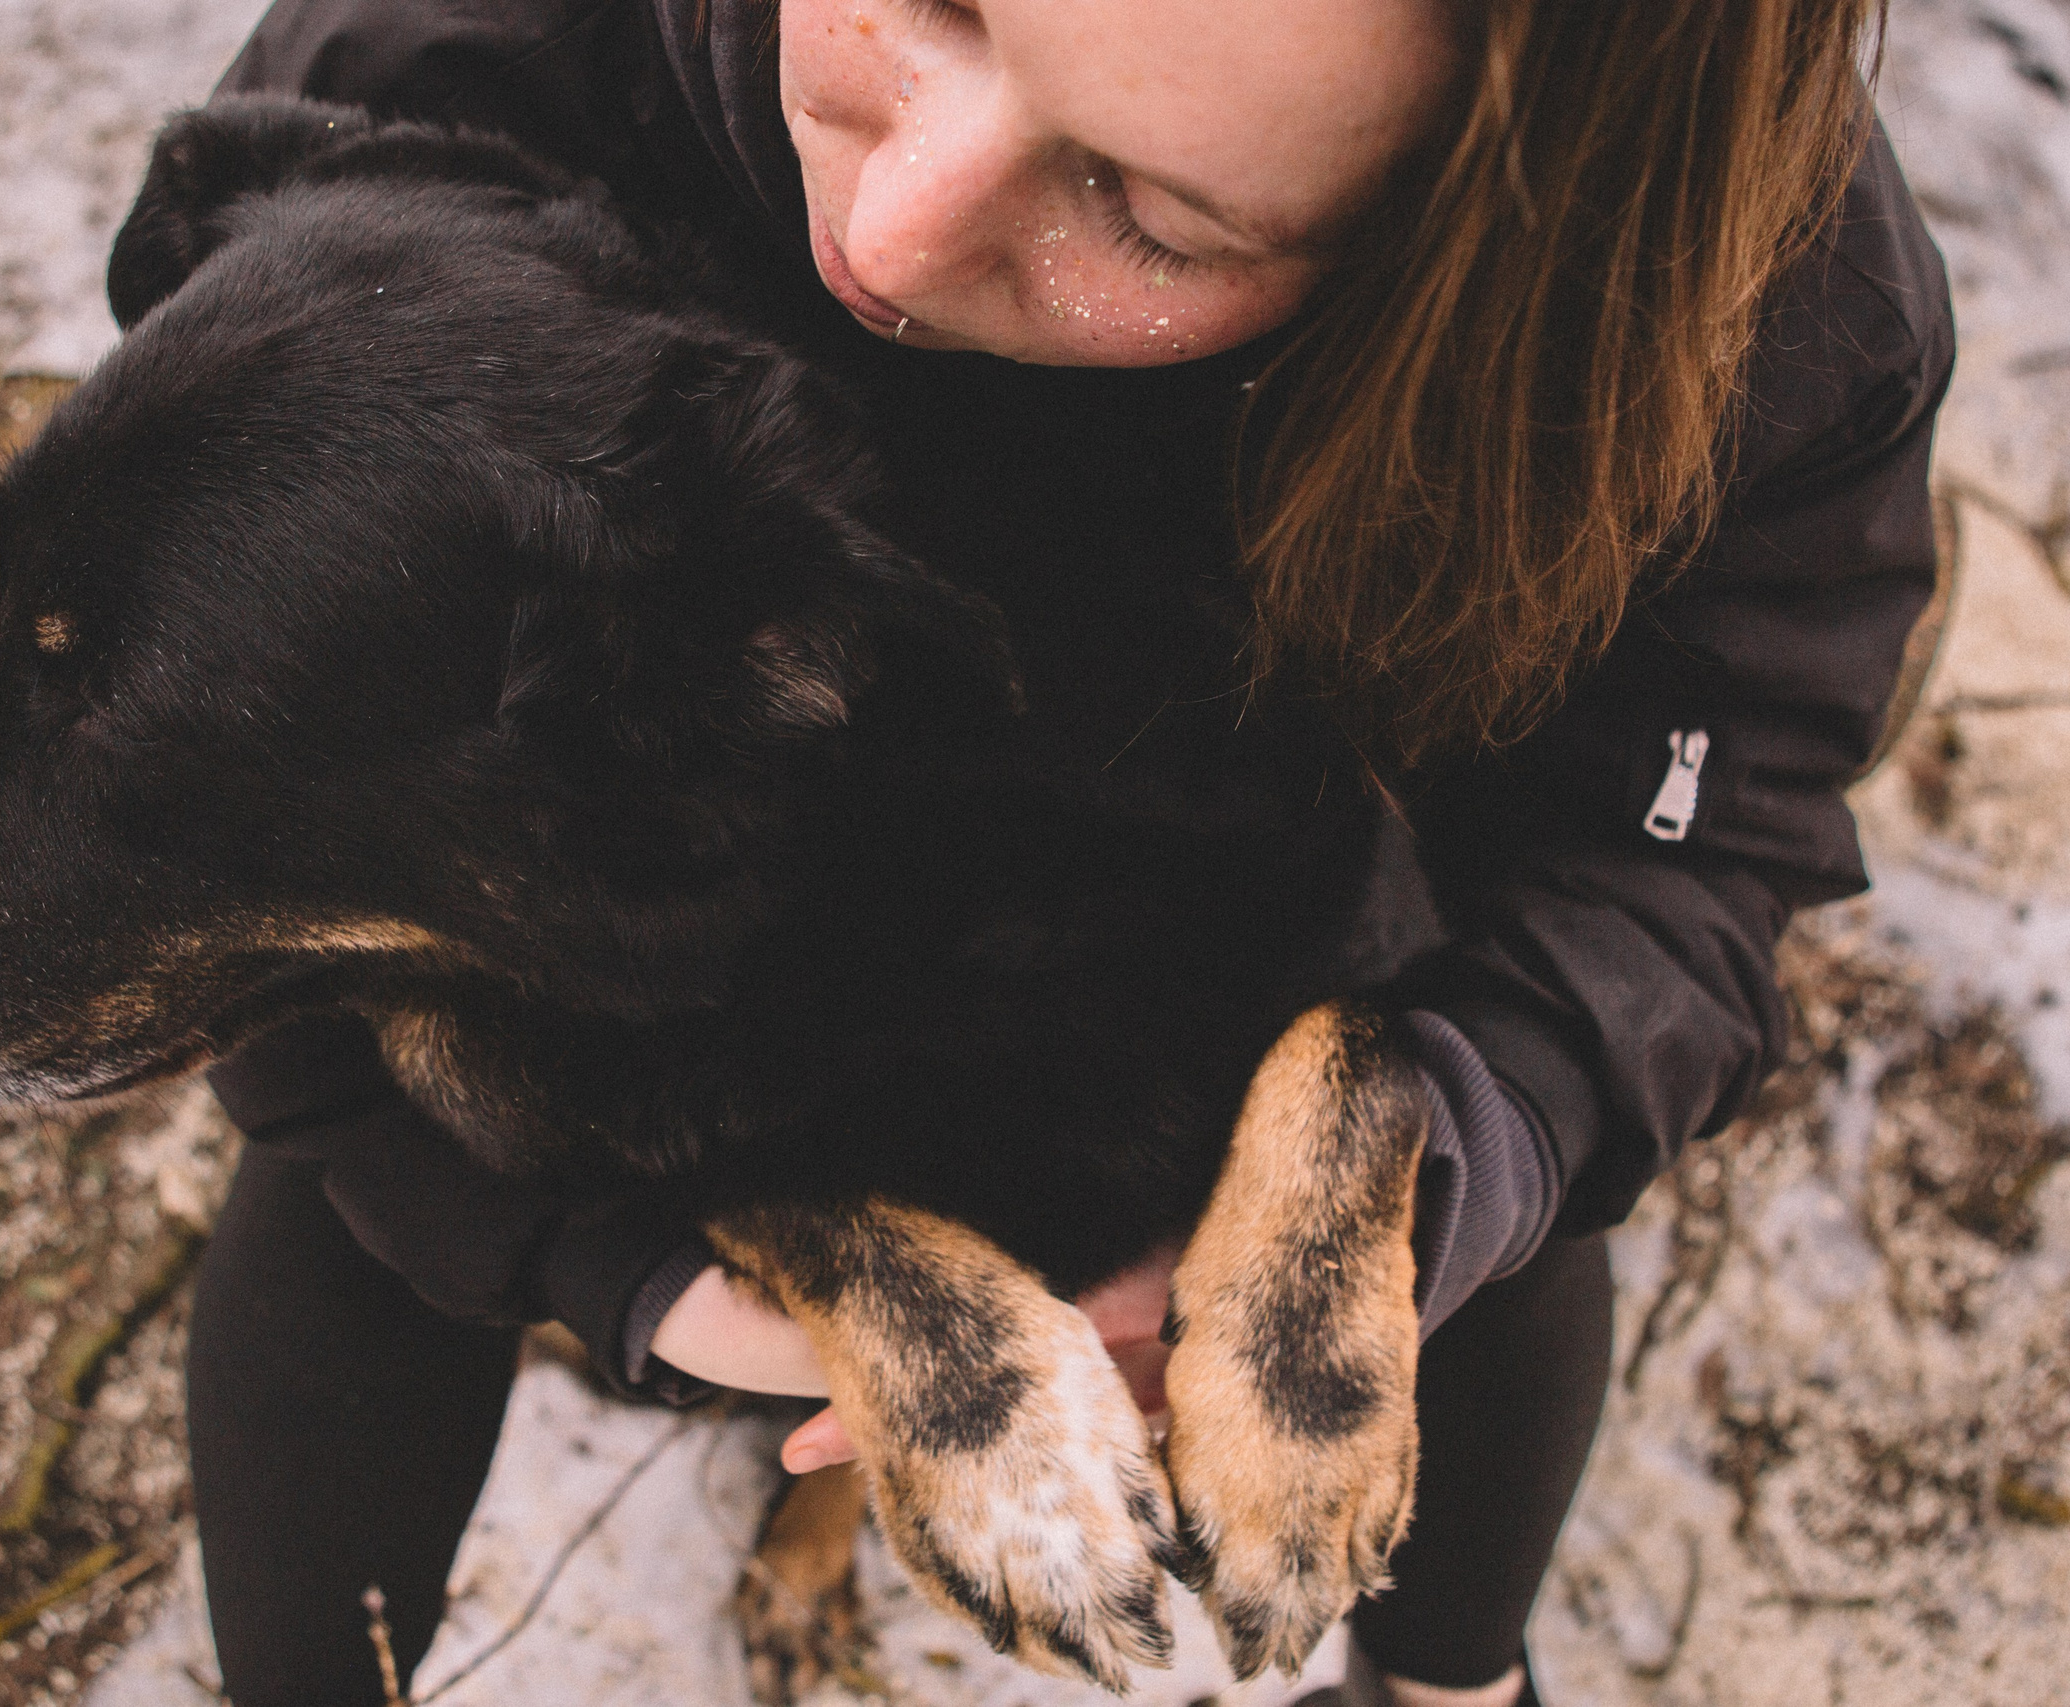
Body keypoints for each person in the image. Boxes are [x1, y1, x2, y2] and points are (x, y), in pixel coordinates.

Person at [165, 3, 1952, 1704]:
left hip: (1229, 821)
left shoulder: (1765, 296)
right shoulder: (454, 60)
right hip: (684, 822)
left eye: (1159, 216)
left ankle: (1450, 1683)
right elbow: (215, 781)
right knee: (356, 1213)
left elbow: (1686, 852)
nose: (892, 224)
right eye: (921, 4)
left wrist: (1451, 1138)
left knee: (1484, 1156)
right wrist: (620, 1273)